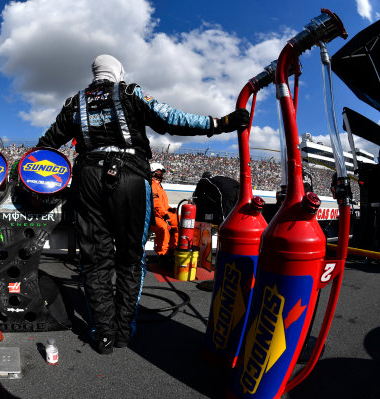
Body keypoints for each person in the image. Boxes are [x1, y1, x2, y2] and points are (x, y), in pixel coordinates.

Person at [36, 54, 249, 354]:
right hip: (129, 175)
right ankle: (123, 332)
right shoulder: (129, 92)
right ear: (118, 72)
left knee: (95, 260)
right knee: (131, 257)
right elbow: (171, 118)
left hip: (87, 178)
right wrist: (220, 123)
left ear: (95, 73)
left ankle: (104, 334)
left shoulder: (73, 103)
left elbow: (46, 145)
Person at [150, 162, 177, 268]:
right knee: (164, 227)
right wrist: (166, 217)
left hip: (162, 213)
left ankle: (173, 249)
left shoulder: (159, 186)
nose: (162, 174)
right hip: (153, 216)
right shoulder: (152, 186)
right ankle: (162, 255)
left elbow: (163, 204)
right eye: (160, 172)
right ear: (155, 172)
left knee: (180, 221)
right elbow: (156, 205)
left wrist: (170, 209)